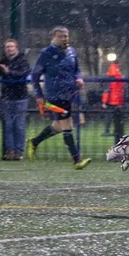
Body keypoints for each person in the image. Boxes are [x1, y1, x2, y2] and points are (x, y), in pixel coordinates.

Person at [28, 26, 90, 169]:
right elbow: (35, 76)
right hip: (54, 94)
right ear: (53, 38)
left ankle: (35, 142)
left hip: (69, 94)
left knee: (59, 125)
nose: (64, 39)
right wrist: (38, 95)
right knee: (67, 125)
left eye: (66, 36)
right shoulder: (46, 53)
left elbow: (77, 70)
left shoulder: (71, 51)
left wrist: (79, 79)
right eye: (61, 36)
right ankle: (77, 160)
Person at [0, 38, 31, 160]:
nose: (9, 49)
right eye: (7, 47)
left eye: (11, 47)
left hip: (20, 97)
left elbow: (24, 73)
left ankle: (19, 151)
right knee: (8, 126)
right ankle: (9, 151)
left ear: (16, 48)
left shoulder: (22, 60)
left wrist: (9, 72)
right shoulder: (2, 61)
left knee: (19, 125)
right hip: (6, 97)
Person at [100, 58, 125, 142]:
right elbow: (110, 90)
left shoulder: (112, 76)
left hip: (112, 100)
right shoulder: (117, 75)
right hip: (115, 100)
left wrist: (104, 101)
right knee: (115, 117)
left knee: (110, 116)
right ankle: (116, 132)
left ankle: (109, 131)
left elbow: (107, 91)